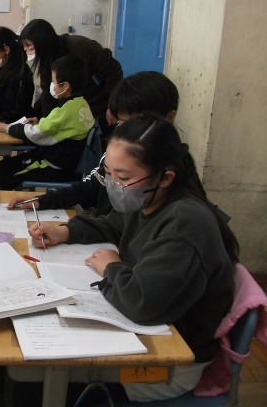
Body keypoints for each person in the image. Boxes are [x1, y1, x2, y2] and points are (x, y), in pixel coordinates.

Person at [28, 114, 237, 402]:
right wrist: (65, 231)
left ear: (165, 177)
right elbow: (112, 225)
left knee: (37, 386)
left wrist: (112, 267)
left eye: (123, 178)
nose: (114, 185)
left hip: (167, 361)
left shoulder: (184, 223)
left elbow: (142, 303)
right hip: (148, 335)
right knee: (30, 374)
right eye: (109, 174)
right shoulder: (149, 199)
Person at [8, 71, 180, 217]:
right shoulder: (120, 150)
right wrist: (41, 201)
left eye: (124, 178)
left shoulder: (171, 198)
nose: (127, 132)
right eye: (122, 123)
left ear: (169, 118)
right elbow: (91, 187)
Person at [0, 54, 94, 190]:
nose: (52, 85)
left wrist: (7, 128)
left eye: (54, 81)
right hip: (64, 163)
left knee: (1, 174)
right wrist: (39, 122)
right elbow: (59, 128)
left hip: (53, 167)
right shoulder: (81, 104)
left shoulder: (67, 110)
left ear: (65, 86)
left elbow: (37, 133)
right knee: (4, 166)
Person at [19, 18, 123, 135]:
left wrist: (113, 106)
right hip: (76, 114)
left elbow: (113, 71)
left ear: (42, 42)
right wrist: (44, 122)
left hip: (99, 105)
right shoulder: (46, 62)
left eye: (31, 48)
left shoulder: (80, 47)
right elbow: (48, 97)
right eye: (26, 49)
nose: (29, 53)